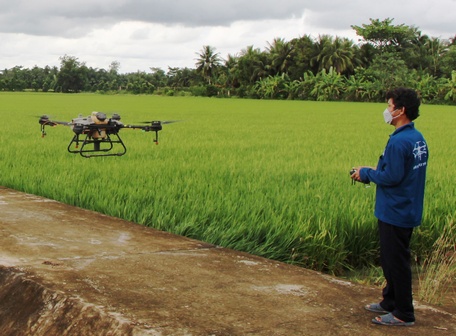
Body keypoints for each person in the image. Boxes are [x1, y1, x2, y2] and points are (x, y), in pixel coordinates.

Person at [351, 87, 428, 327]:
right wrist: (373, 172)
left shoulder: (399, 142)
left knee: (396, 262)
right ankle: (390, 301)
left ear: (401, 110)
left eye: (390, 106)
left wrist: (366, 174)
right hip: (407, 207)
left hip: (395, 211)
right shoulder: (417, 139)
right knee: (391, 258)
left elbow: (391, 177)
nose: (387, 110)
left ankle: (404, 313)